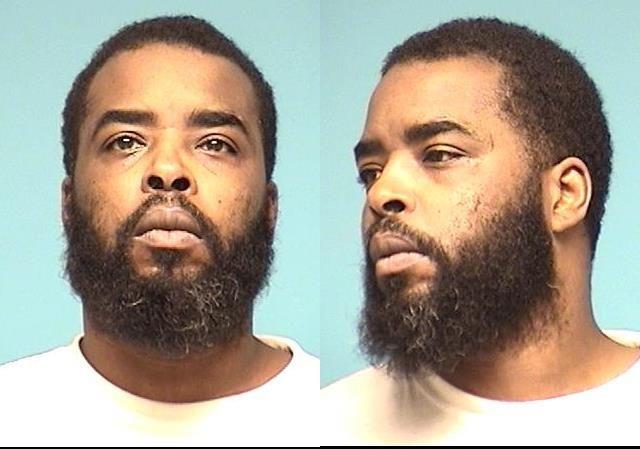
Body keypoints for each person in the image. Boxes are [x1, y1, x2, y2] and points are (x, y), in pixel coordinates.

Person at [0, 15, 318, 445]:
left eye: (215, 143)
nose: (168, 170)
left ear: (269, 207)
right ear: (69, 204)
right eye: (125, 141)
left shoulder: (336, 416)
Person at [321, 17, 640, 445]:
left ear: (564, 195)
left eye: (440, 154)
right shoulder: (326, 425)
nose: (381, 193)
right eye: (370, 172)